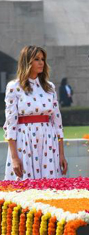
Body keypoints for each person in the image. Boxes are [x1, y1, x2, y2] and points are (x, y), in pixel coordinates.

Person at [3, 46, 68, 180]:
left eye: (43, 59)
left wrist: (61, 154)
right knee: (24, 187)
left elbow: (57, 124)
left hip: (49, 141)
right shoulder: (14, 87)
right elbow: (11, 125)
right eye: (36, 59)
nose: (41, 62)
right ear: (27, 62)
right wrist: (14, 158)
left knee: (50, 186)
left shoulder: (50, 87)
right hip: (24, 140)